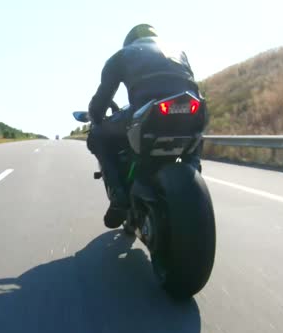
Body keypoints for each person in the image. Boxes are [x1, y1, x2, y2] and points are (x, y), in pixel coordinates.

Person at [87, 24, 206, 229]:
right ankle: (193, 170)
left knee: (97, 137)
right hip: (192, 108)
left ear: (130, 41)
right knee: (196, 139)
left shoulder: (122, 55)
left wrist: (96, 118)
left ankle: (119, 198)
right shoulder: (179, 52)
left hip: (148, 110)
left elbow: (102, 100)